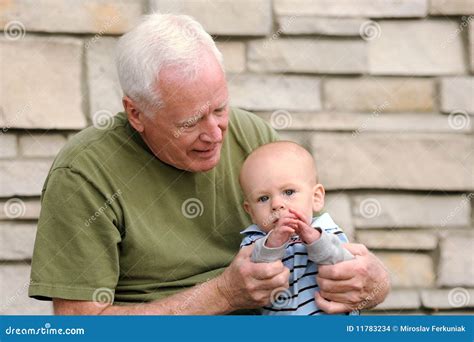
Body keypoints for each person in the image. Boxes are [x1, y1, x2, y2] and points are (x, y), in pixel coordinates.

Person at [28, 13, 390, 315]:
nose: (215, 134)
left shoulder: (252, 136)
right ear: (136, 113)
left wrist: (373, 284)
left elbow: (326, 244)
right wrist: (223, 294)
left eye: (220, 109)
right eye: (189, 122)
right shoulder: (83, 174)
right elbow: (78, 327)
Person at [239, 141, 357, 315]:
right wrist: (273, 244)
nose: (277, 205)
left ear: (316, 198)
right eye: (263, 198)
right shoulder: (254, 241)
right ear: (251, 213)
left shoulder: (326, 230)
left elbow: (344, 265)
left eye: (288, 192)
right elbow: (256, 277)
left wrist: (315, 239)